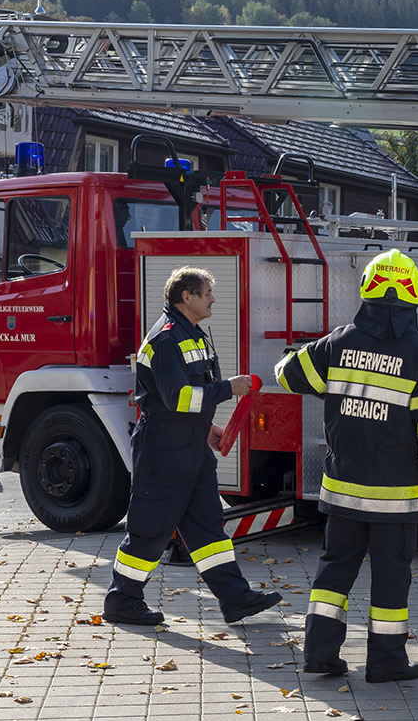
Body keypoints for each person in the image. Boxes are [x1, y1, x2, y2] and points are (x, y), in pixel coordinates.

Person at [275, 251, 418, 682]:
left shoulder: (338, 342)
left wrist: (305, 355)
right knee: (391, 575)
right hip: (394, 493)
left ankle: (319, 652)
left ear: (367, 290)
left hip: (342, 487)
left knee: (336, 566)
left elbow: (286, 374)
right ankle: (386, 661)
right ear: (413, 295)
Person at [103, 267, 283, 627]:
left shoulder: (191, 334)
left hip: (191, 449)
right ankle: (122, 601)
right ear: (186, 297)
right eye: (206, 293)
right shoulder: (167, 340)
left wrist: (205, 429)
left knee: (207, 530)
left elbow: (185, 401)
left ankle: (235, 599)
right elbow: (178, 398)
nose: (213, 298)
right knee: (149, 531)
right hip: (164, 452)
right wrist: (228, 389)